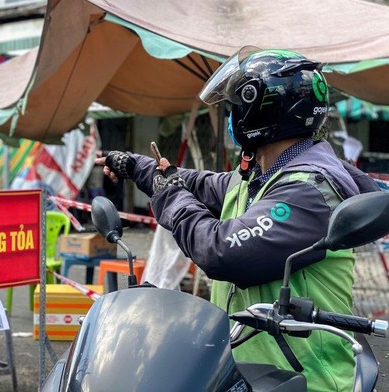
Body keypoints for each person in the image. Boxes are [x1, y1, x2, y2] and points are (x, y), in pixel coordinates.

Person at [96, 46, 379, 392]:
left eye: (233, 109)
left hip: (306, 378)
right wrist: (135, 166)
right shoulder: (261, 178)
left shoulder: (309, 191)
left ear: (259, 113)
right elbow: (195, 183)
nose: (231, 118)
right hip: (249, 370)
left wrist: (166, 192)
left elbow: (222, 251)